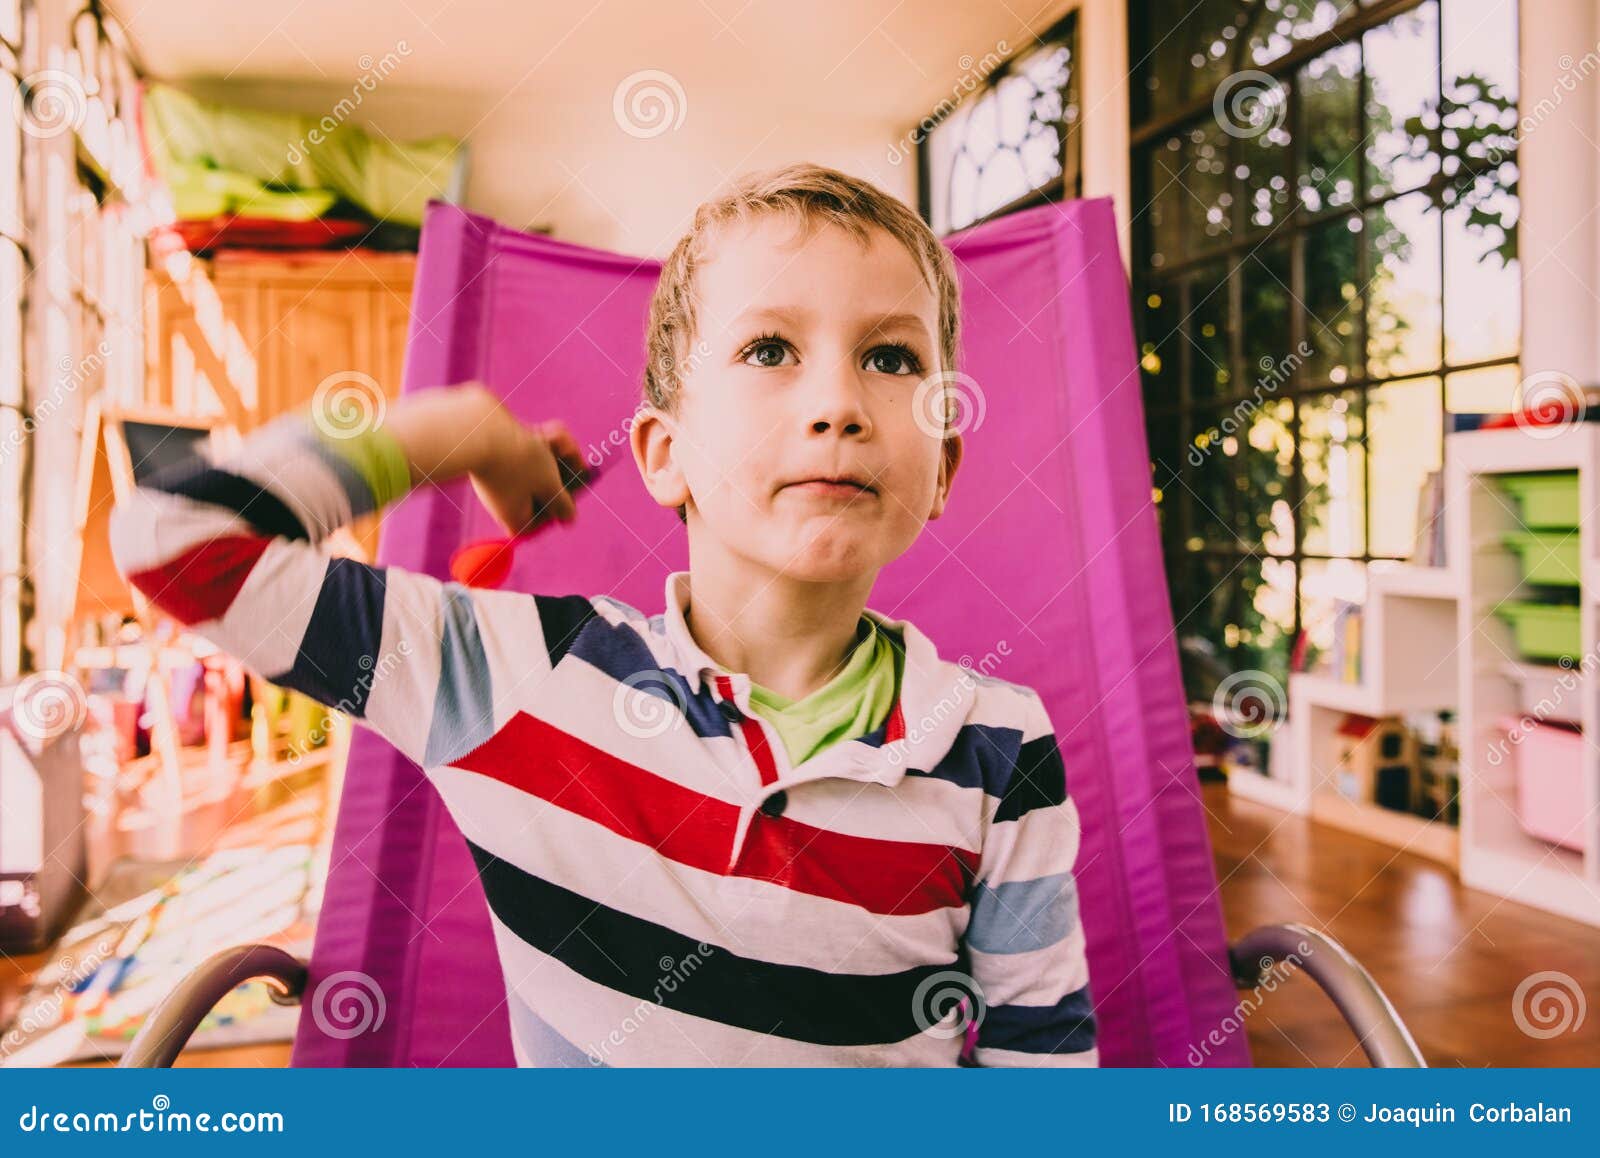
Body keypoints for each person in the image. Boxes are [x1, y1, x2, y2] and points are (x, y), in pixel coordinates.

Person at [110, 162, 1097, 1067]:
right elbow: (171, 540)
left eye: (890, 358)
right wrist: (451, 432)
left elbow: (1043, 1070)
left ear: (941, 469)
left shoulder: (1000, 748)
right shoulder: (509, 678)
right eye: (769, 348)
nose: (839, 402)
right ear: (664, 455)